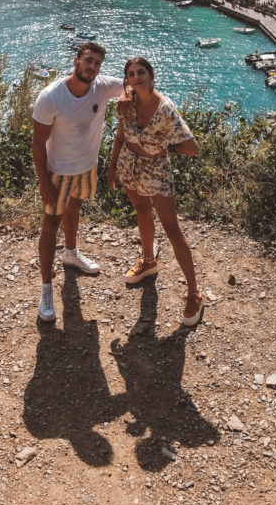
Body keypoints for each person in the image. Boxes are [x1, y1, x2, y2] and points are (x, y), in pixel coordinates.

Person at [107, 56, 203, 327]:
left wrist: (163, 147)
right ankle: (149, 261)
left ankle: (194, 293)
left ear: (151, 75)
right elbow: (120, 135)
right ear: (127, 79)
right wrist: (112, 166)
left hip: (156, 168)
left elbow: (192, 147)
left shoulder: (165, 109)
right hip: (128, 163)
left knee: (172, 228)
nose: (136, 77)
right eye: (130, 74)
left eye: (141, 72)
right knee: (141, 211)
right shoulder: (126, 102)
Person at [32, 42, 124, 322]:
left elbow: (135, 85)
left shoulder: (103, 86)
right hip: (58, 172)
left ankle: (71, 254)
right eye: (88, 61)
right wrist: (43, 182)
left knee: (75, 208)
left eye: (97, 63)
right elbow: (37, 143)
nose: (92, 67)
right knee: (50, 225)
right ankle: (46, 289)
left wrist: (131, 101)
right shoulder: (51, 97)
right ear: (76, 61)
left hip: (87, 168)